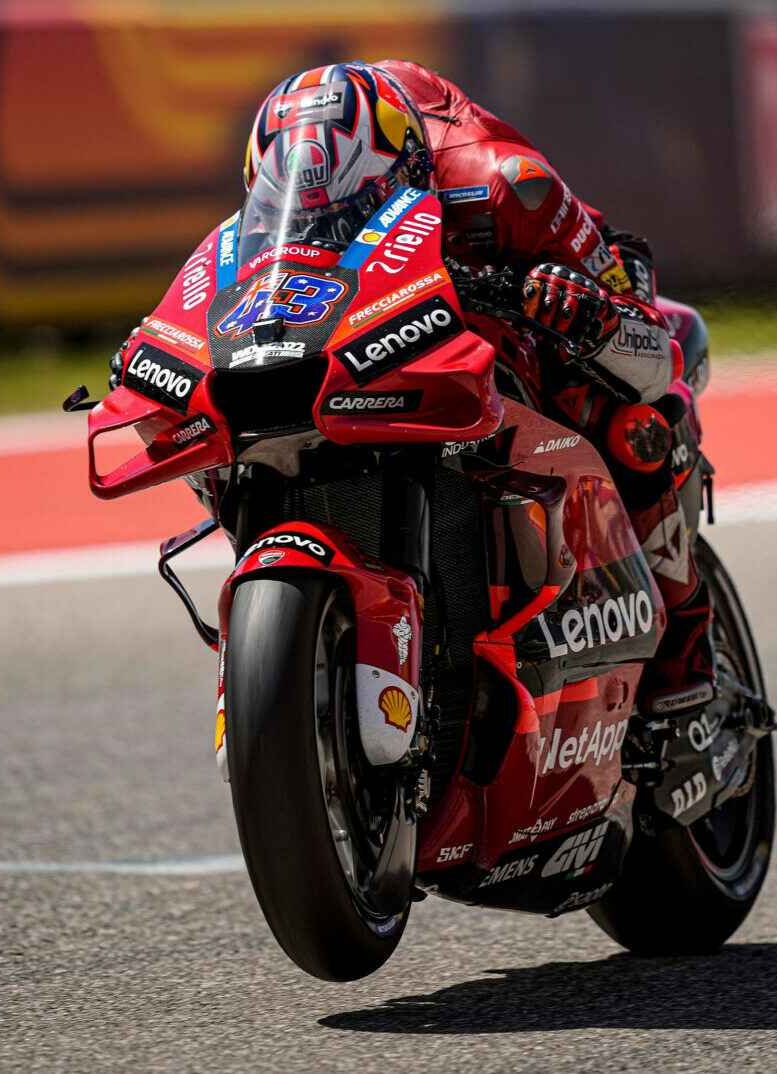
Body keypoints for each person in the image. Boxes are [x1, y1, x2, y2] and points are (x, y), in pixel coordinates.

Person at [240, 60, 716, 717]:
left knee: (629, 415)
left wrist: (587, 311)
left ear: (401, 170)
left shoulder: (502, 185)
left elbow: (650, 351)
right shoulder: (272, 214)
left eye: (352, 215)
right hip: (377, 325)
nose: (332, 230)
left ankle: (687, 631)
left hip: (539, 279)